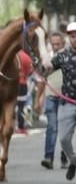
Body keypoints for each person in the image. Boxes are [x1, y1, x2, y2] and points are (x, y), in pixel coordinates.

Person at [49, 22, 76, 182]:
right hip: (67, 103)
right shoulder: (62, 55)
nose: (75, 39)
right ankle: (74, 160)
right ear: (69, 38)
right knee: (64, 139)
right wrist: (37, 64)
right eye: (72, 37)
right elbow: (47, 70)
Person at [37, 31, 67, 169]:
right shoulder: (48, 58)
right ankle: (48, 157)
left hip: (66, 98)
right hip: (51, 96)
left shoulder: (68, 56)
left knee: (65, 129)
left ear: (63, 43)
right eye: (53, 44)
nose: (55, 46)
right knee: (52, 127)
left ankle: (65, 156)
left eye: (58, 44)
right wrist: (39, 97)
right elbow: (42, 79)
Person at [15, 50, 34, 135]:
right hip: (22, 84)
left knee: (10, 106)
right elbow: (30, 71)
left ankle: (10, 125)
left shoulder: (10, 54)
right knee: (21, 107)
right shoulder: (25, 56)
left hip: (10, 84)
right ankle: (21, 127)